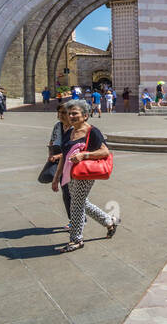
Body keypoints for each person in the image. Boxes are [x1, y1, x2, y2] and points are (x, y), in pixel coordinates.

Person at [51, 98, 119, 252]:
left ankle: (76, 239)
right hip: (70, 174)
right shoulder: (70, 131)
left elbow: (105, 151)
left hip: (85, 173)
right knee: (82, 203)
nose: (71, 116)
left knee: (76, 204)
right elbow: (64, 155)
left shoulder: (92, 131)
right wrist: (56, 178)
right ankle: (109, 221)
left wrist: (84, 155)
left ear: (85, 115)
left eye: (75, 113)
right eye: (69, 114)